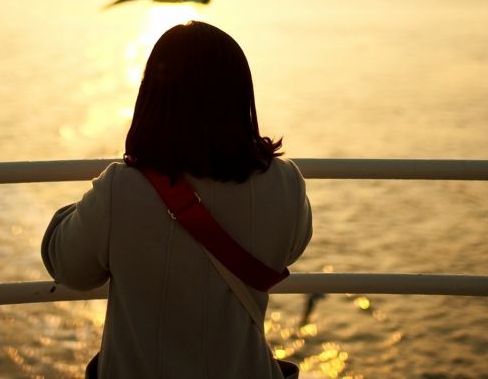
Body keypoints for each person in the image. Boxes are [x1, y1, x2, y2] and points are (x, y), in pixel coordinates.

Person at [42, 20, 313, 378]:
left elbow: (70, 268)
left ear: (152, 96)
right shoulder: (286, 184)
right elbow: (288, 251)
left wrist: (75, 213)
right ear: (240, 97)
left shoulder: (120, 190)